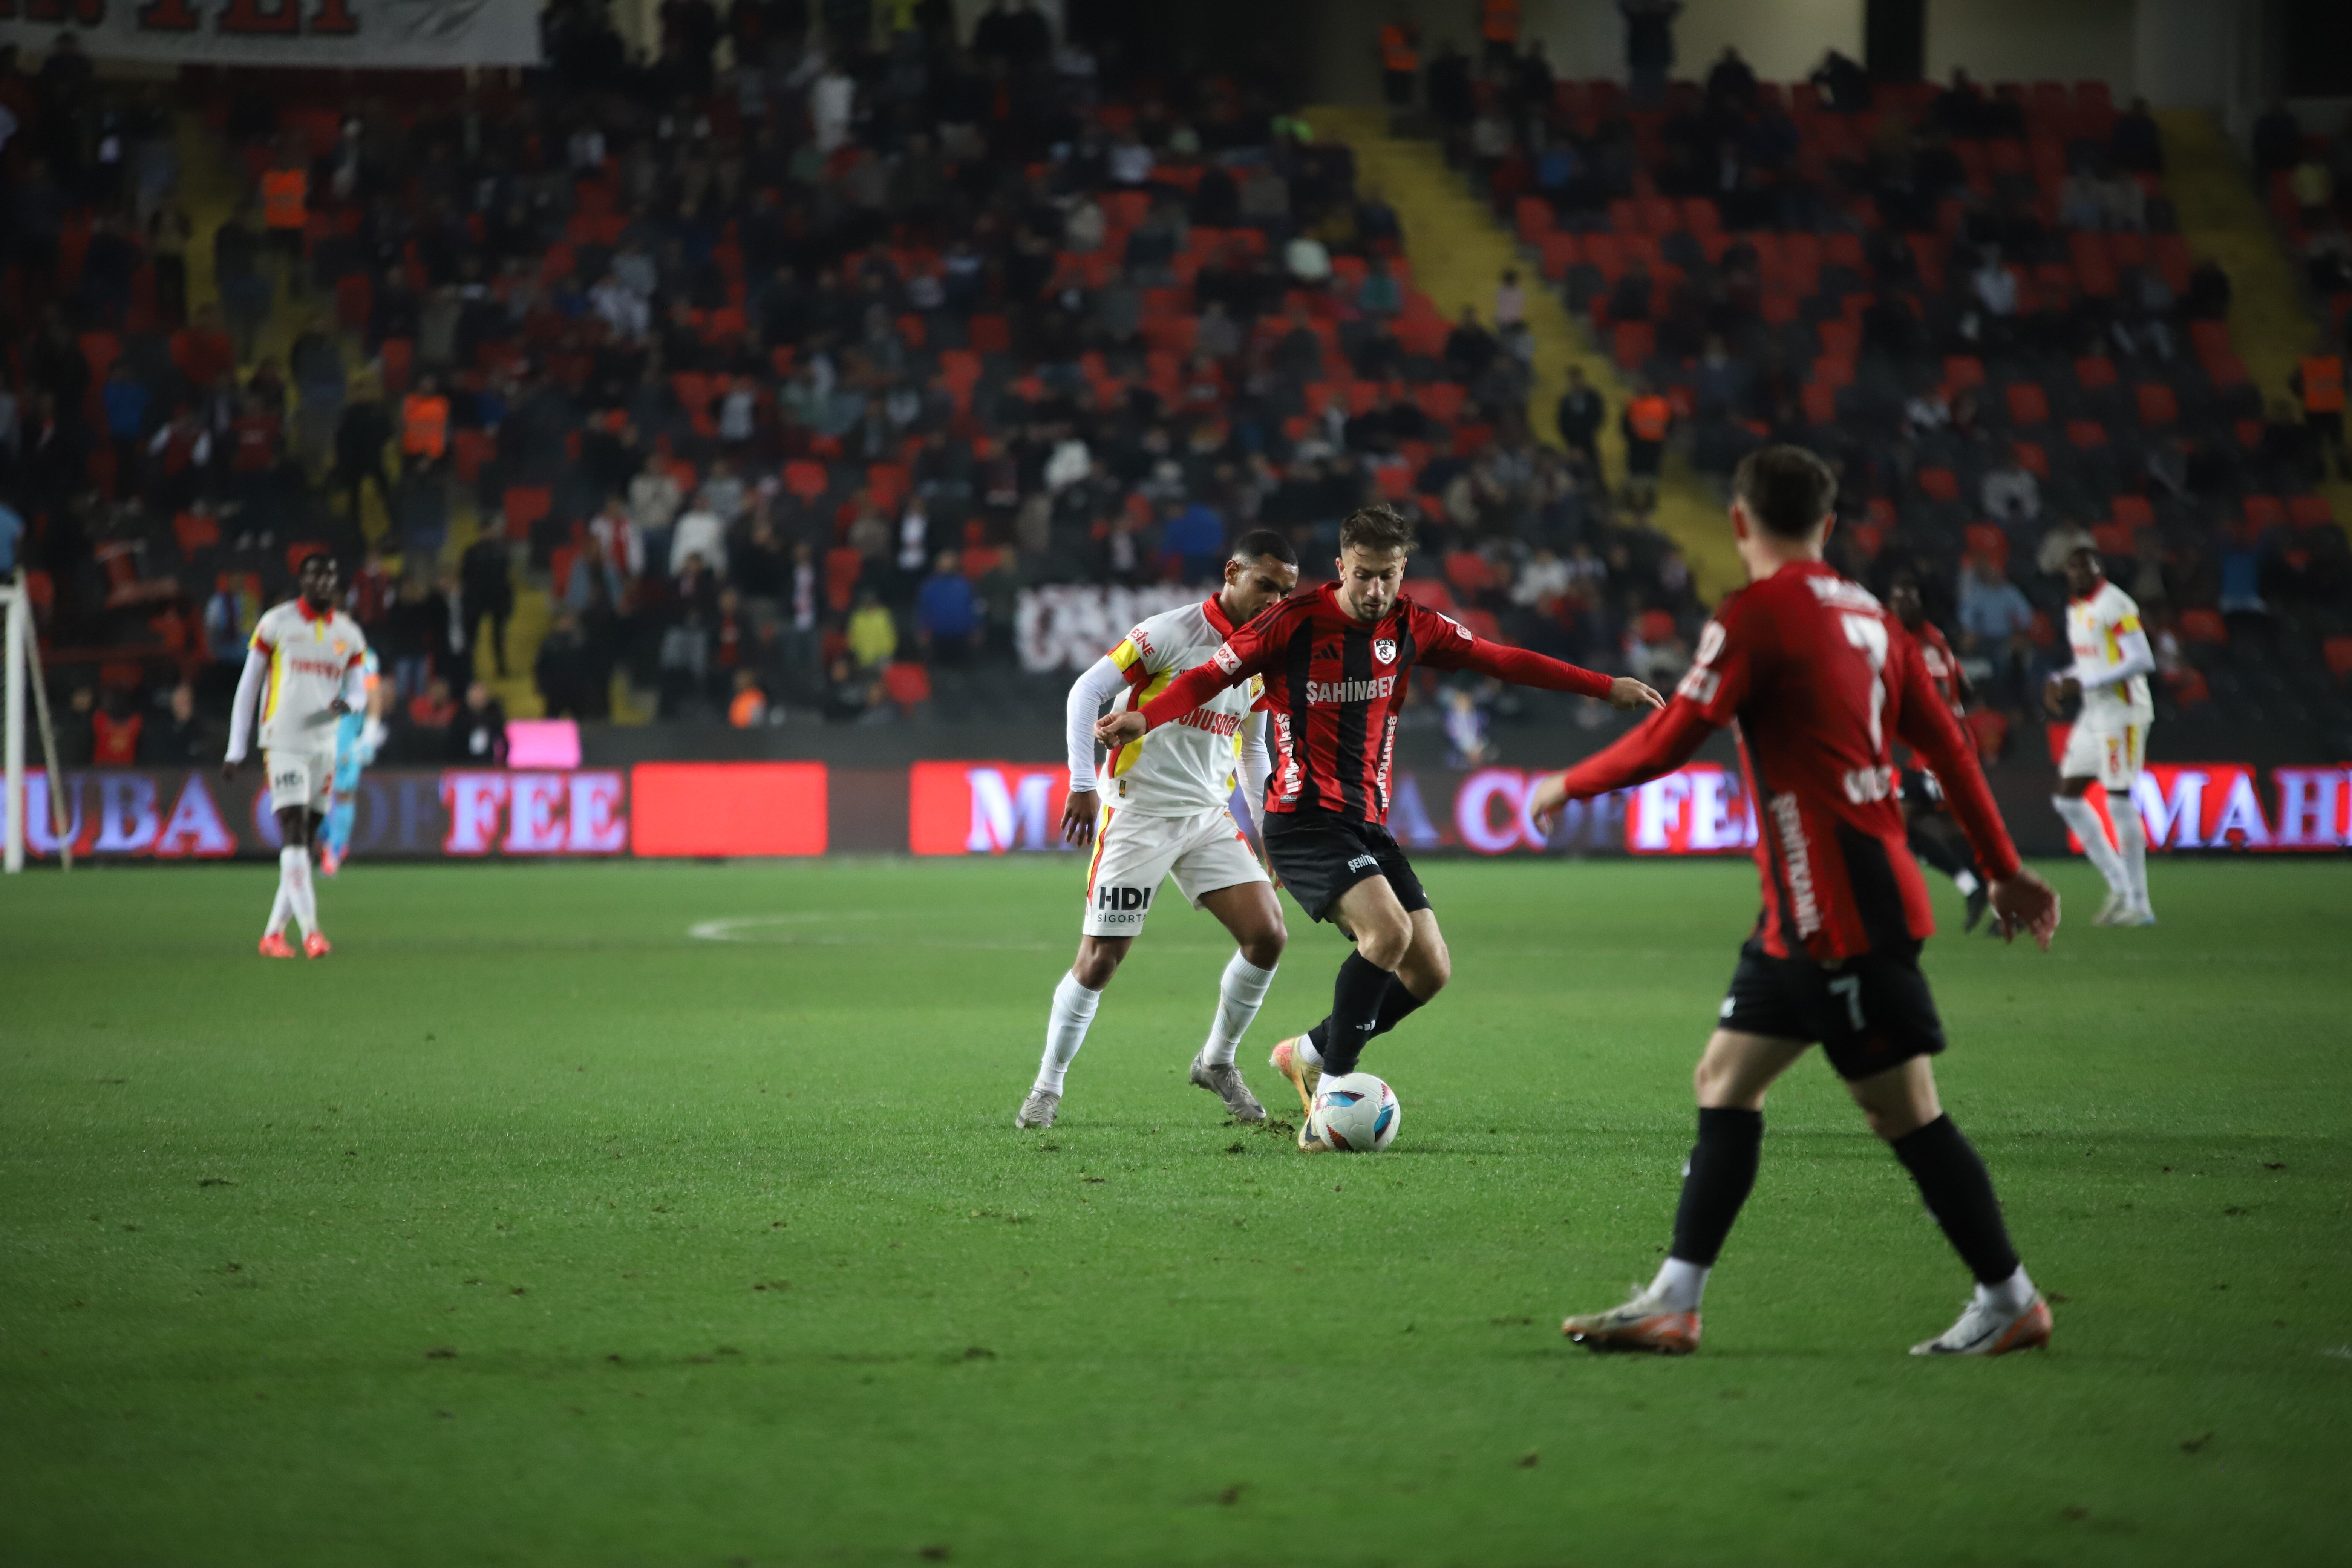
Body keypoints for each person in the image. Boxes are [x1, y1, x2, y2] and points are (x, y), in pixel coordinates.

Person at [1527, 445, 2062, 1358]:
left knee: (1904, 1111)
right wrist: (2003, 866)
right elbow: (1949, 750)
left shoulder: (1756, 615)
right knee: (1724, 1080)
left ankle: (2009, 1297)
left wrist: (1567, 783)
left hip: (1837, 909)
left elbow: (1670, 739)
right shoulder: (1873, 621)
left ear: (1739, 523)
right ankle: (1673, 1301)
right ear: (1829, 523)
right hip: (1809, 910)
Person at [1095, 505, 1663, 1149]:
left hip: (1366, 823)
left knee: (1430, 973)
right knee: (1386, 934)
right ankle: (1334, 1097)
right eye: (1362, 575)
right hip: (1303, 819)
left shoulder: (1414, 626)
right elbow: (1206, 676)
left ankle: (1307, 1051)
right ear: (1342, 568)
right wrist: (1149, 716)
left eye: (1387, 576)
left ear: (1403, 572)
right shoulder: (1292, 622)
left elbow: (1501, 660)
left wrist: (1600, 687)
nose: (1374, 591)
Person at [1017, 531, 1303, 1132]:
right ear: (1232, 573)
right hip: (1139, 813)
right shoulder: (1169, 633)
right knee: (1099, 962)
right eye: (1265, 586)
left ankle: (1217, 1061)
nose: (1275, 601)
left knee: (1268, 935)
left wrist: (1268, 832)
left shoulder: (1263, 655)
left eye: (1286, 592)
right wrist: (1082, 783)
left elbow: (1253, 753)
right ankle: (1048, 1086)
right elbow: (1086, 691)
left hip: (1207, 818)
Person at [223, 552, 368, 958]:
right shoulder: (276, 623)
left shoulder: (348, 633)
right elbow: (248, 686)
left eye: (329, 577)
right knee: (293, 829)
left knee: (305, 840)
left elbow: (359, 690)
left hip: (325, 745)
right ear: (302, 581)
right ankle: (311, 933)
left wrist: (345, 706)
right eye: (314, 577)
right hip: (283, 741)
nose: (323, 584)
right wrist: (237, 746)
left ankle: (272, 935)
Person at [2046, 543, 2158, 927]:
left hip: (2124, 713)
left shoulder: (2117, 603)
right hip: (2094, 713)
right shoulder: (2076, 607)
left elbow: (2143, 659)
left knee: (2118, 801)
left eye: (2086, 568)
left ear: (2099, 570)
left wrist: (2086, 680)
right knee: (2066, 799)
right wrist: (2062, 677)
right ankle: (2120, 886)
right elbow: (2090, 660)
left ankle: (2141, 904)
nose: (2078, 574)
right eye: (2073, 569)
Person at [1888, 574, 1989, 933]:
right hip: (1928, 748)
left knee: (1952, 828)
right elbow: (1966, 686)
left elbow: (1933, 696)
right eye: (1897, 600)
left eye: (1910, 600)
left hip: (1944, 745)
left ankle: (1998, 894)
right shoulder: (1920, 639)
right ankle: (1980, 889)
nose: (1903, 607)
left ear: (1922, 605)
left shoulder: (1925, 646)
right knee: (1916, 827)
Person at [318, 650, 385, 877]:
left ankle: (334, 852)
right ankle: (333, 841)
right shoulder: (316, 649)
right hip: (317, 731)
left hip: (345, 736)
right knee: (312, 796)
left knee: (344, 793)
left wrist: (369, 735)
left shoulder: (364, 656)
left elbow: (374, 695)